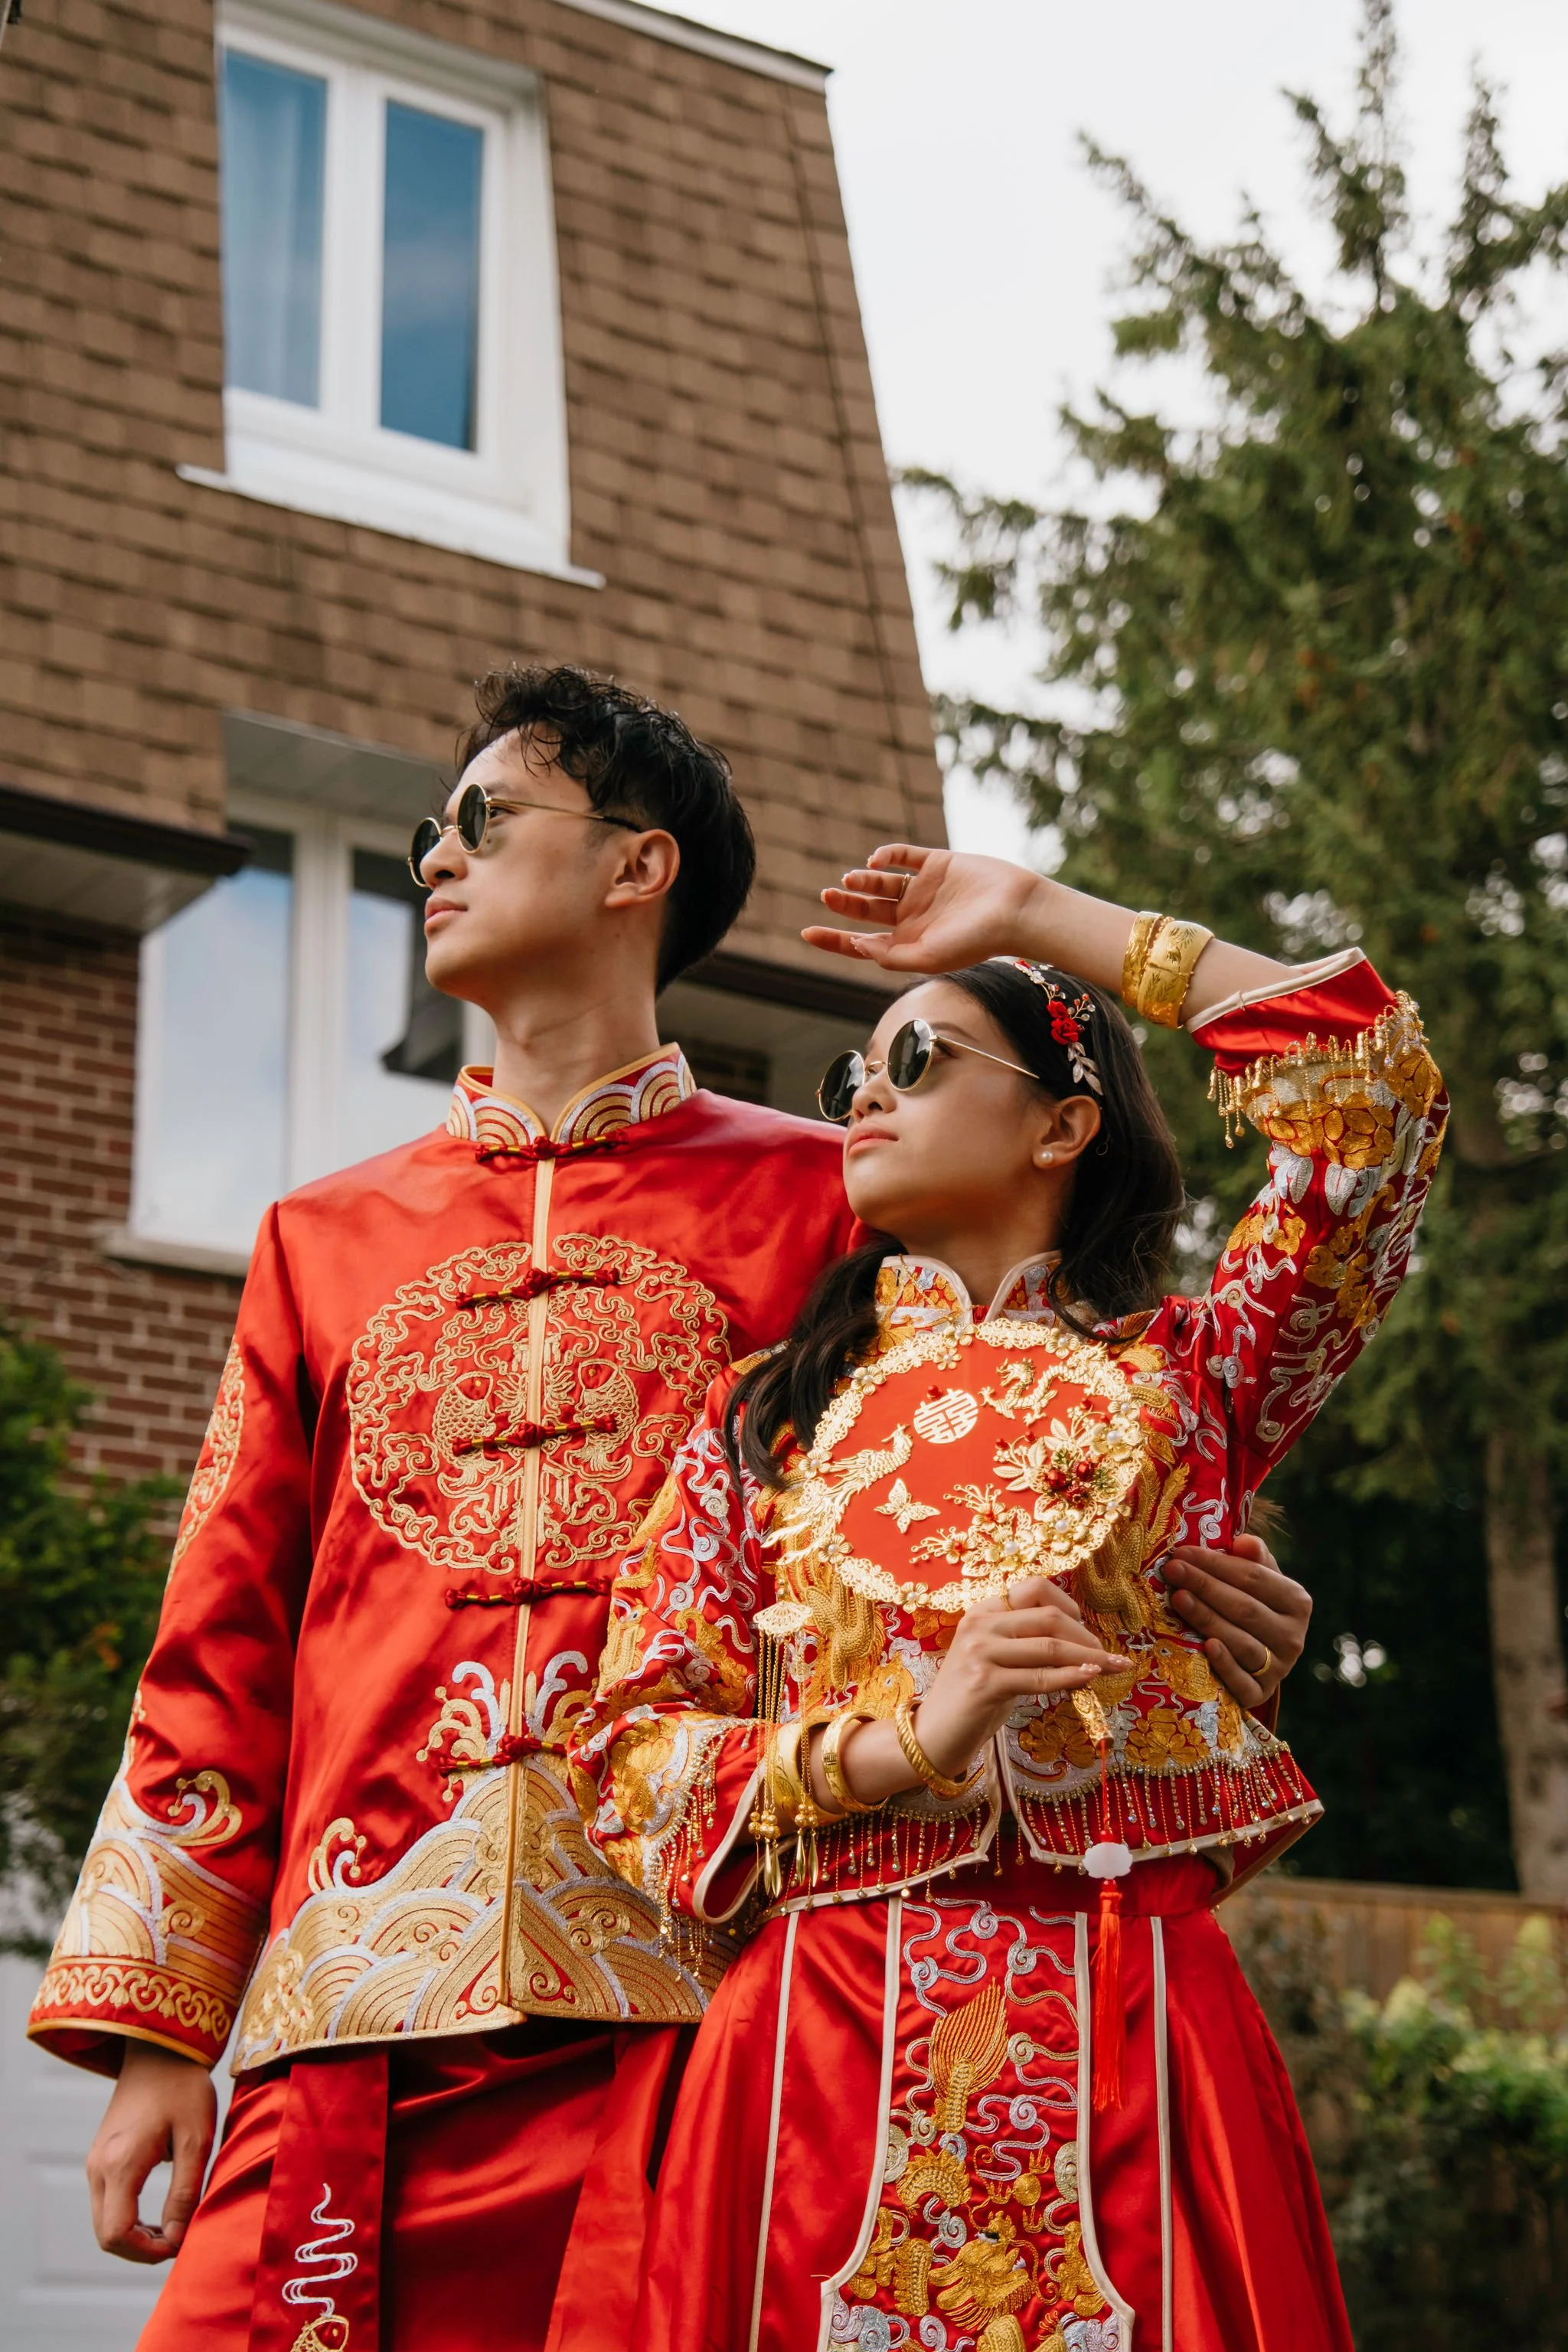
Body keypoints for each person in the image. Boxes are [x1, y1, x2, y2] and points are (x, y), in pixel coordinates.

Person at [27, 671, 1311, 2352]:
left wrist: (1196, 1601)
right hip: (350, 2009)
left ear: (639, 868)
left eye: (482, 818)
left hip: (704, 2003)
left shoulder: (840, 1197)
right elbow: (219, 1637)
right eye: (428, 829)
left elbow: (1041, 1431)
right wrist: (156, 2037)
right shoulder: (315, 1239)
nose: (434, 856)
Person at [575, 841, 1446, 2352]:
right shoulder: (761, 1421)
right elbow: (633, 1757)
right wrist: (912, 1736)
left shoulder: (1196, 1375)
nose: (860, 1092)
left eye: (914, 1058)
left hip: (1137, 2015)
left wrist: (1044, 921)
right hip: (817, 2047)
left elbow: (1372, 1081)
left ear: (1062, 1123)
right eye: (851, 1068)